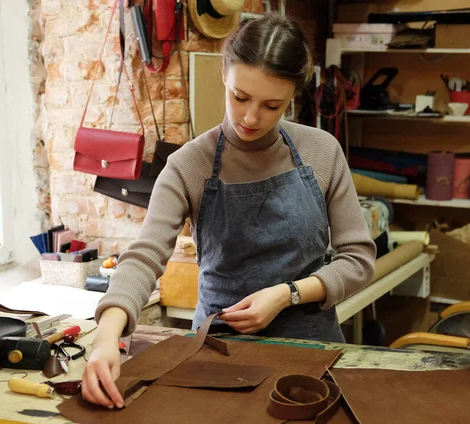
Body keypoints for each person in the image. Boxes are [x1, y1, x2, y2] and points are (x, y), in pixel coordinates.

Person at [81, 13, 376, 409]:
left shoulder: (322, 151)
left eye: (272, 105)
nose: (251, 118)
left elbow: (358, 259)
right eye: (240, 97)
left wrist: (287, 295)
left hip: (311, 356)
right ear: (224, 73)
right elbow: (144, 257)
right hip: (217, 354)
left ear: (293, 97)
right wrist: (105, 337)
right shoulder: (189, 165)